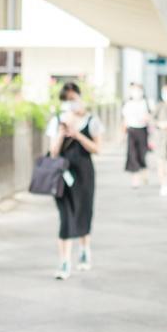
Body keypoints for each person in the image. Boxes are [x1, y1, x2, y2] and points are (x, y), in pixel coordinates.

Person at [46, 82, 103, 280]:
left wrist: (78, 134)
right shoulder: (56, 121)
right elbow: (53, 152)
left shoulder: (91, 120)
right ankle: (64, 262)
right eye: (66, 100)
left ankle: (85, 249)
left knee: (84, 212)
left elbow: (97, 149)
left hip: (84, 174)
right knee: (66, 216)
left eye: (72, 99)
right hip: (61, 176)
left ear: (79, 98)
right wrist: (62, 132)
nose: (69, 103)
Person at [121, 83, 152, 188]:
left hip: (142, 131)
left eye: (138, 90)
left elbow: (151, 117)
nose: (136, 93)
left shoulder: (146, 103)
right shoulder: (128, 104)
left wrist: (147, 118)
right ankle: (135, 179)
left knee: (142, 153)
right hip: (131, 130)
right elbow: (125, 120)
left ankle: (144, 171)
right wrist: (123, 134)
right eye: (134, 90)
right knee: (132, 154)